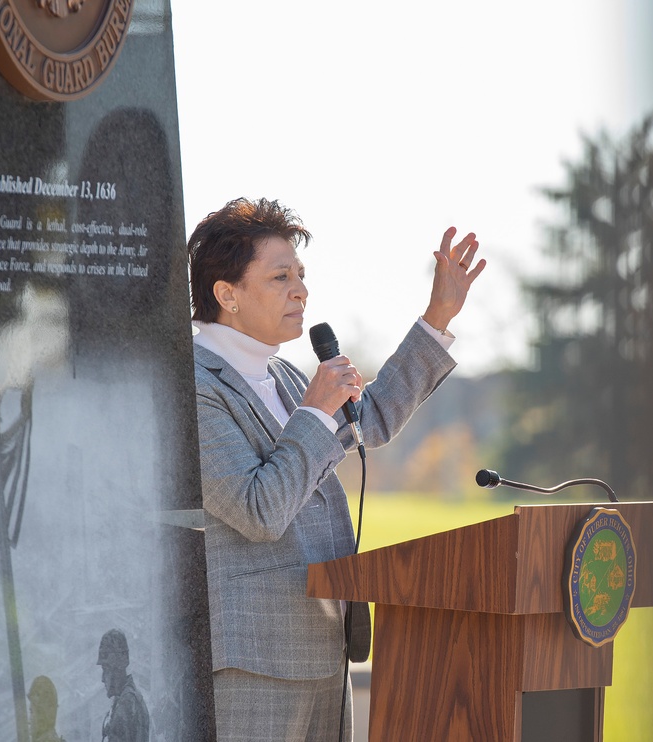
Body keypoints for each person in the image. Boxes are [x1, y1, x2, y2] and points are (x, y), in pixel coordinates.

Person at [188, 197, 485, 741]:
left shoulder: (281, 375)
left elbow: (365, 424)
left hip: (325, 652)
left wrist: (437, 317)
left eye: (301, 275)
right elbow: (258, 510)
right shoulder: (196, 387)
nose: (301, 290)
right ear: (226, 294)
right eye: (280, 277)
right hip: (255, 663)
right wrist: (313, 412)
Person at [97, 628, 150, 742]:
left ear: (116, 668)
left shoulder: (127, 703)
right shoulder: (127, 700)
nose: (102, 679)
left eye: (105, 669)